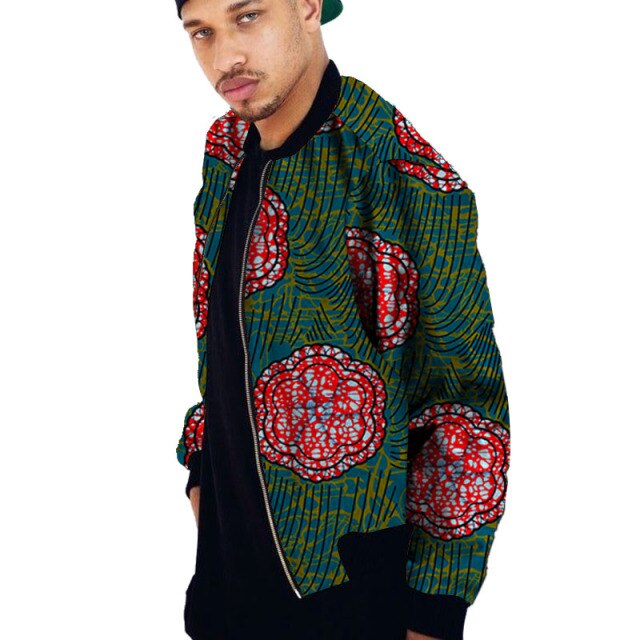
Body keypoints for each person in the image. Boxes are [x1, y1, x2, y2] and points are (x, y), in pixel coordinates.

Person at [173, 1, 511, 639]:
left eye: (247, 17)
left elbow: (465, 408)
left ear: (307, 5)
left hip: (346, 598)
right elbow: (218, 338)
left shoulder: (397, 170)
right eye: (202, 32)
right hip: (225, 592)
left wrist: (434, 614)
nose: (224, 58)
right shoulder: (226, 149)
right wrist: (203, 476)